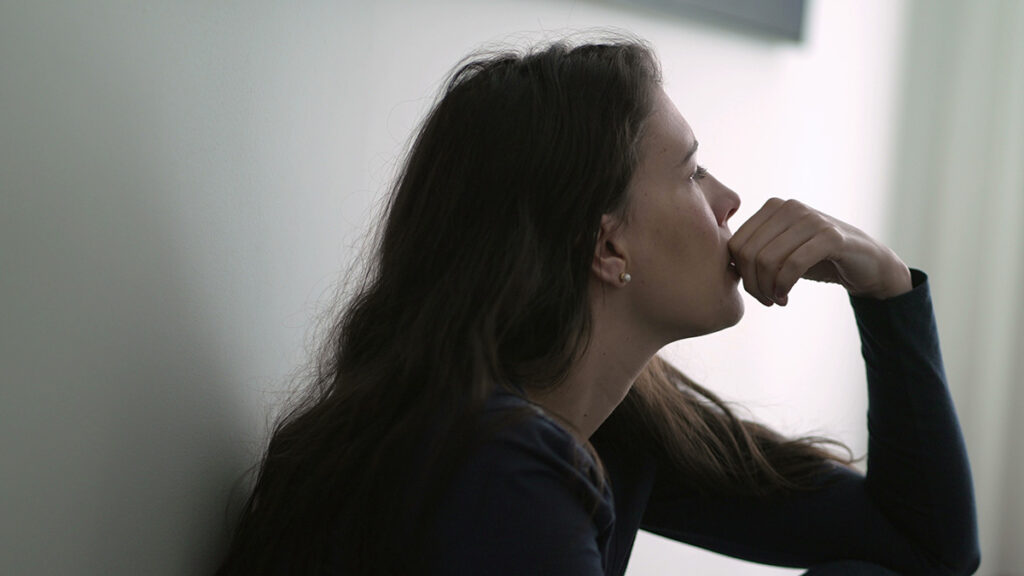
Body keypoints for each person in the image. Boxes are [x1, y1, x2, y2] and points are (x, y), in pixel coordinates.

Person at [215, 34, 980, 575]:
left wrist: (882, 283)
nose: (730, 201)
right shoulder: (498, 470)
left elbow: (924, 546)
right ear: (606, 247)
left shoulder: (607, 431)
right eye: (692, 172)